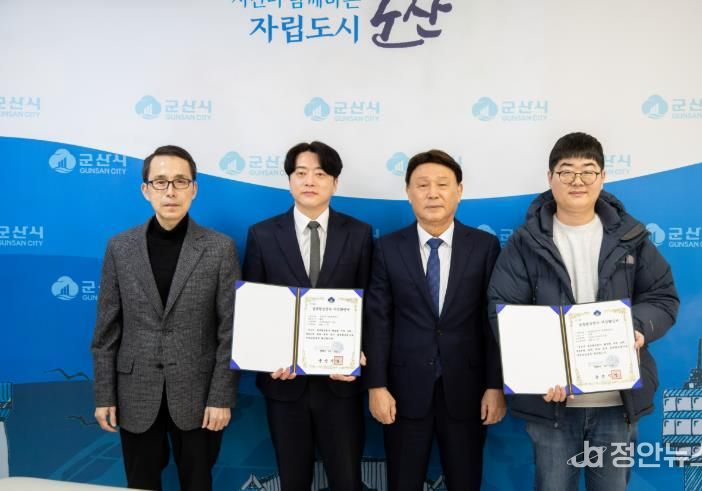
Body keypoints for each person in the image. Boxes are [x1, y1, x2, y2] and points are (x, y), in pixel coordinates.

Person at [488, 132, 679, 490]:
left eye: (588, 171)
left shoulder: (631, 237)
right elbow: (503, 312)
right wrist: (541, 372)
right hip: (552, 404)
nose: (577, 180)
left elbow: (663, 297)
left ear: (602, 177)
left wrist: (637, 327)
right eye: (566, 171)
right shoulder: (525, 243)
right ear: (550, 178)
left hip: (617, 401)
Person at [91, 145, 240, 491]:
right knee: (140, 483)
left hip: (198, 395)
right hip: (135, 393)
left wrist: (220, 397)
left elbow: (231, 331)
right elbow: (106, 331)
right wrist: (104, 395)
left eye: (180, 181)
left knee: (198, 482)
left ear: (194, 189)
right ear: (145, 190)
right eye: (160, 182)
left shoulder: (220, 248)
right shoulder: (120, 247)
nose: (170, 191)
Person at [364, 149, 506, 491]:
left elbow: (493, 323)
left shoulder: (484, 246)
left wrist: (495, 385)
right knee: (403, 482)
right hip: (403, 391)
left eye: (442, 184)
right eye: (422, 184)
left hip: (468, 391)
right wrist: (376, 385)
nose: (433, 193)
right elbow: (378, 320)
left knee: (465, 482)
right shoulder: (388, 248)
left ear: (459, 191)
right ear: (408, 192)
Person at [242, 141, 372, 490]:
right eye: (301, 173)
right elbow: (255, 307)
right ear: (290, 181)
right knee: (293, 479)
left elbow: (369, 305)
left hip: (340, 385)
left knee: (347, 480)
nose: (309, 181)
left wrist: (358, 355)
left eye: (320, 173)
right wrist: (266, 357)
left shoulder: (359, 234)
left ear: (335, 183)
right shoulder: (262, 234)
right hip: (284, 384)